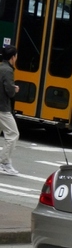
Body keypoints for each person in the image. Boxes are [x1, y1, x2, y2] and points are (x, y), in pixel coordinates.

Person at [0, 45, 19, 175]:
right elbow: (9, 91)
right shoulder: (8, 70)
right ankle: (4, 162)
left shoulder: (1, 67)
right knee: (13, 134)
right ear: (13, 57)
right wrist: (14, 89)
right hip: (3, 108)